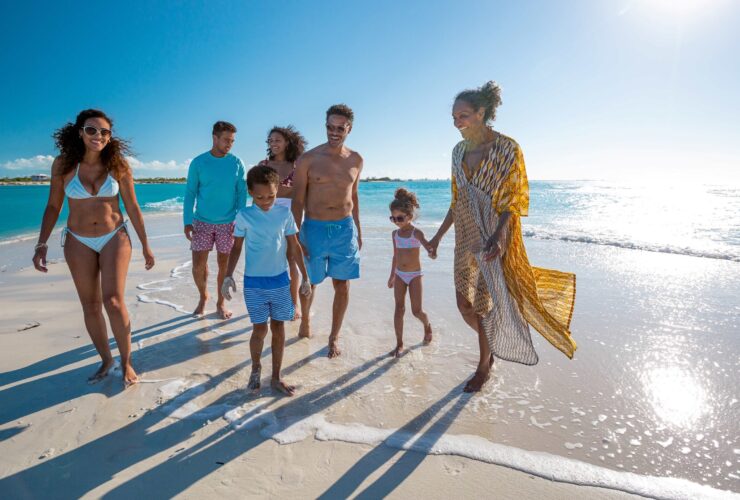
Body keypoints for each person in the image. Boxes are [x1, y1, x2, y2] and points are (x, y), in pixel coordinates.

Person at [428, 81, 577, 393]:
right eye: (454, 117)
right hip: (466, 235)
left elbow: (514, 200)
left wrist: (497, 235)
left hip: (494, 236)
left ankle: (484, 365)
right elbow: (457, 200)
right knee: (464, 304)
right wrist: (438, 237)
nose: (457, 123)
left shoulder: (508, 148)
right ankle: (491, 343)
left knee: (482, 305)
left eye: (464, 116)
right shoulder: (457, 152)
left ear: (482, 113)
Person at [32, 109, 155, 388]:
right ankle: (106, 359)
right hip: (78, 239)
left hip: (115, 236)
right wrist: (41, 244)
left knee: (113, 300)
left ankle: (126, 362)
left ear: (110, 137)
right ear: (80, 132)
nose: (98, 136)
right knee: (90, 304)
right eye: (91, 130)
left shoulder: (118, 165)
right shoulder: (63, 165)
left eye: (104, 132)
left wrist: (146, 245)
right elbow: (53, 206)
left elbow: (133, 206)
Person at [221, 165, 311, 396]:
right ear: (250, 192)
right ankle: (255, 367)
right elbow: (236, 247)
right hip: (254, 283)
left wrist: (305, 276)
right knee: (259, 329)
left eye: (271, 196)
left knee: (279, 328)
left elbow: (294, 245)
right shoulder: (244, 215)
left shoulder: (284, 214)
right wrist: (228, 275)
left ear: (277, 190)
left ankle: (276, 376)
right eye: (260, 196)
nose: (266, 201)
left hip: (280, 281)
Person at [291, 104, 363, 358]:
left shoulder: (356, 159)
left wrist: (359, 230)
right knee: (310, 281)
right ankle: (305, 322)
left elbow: (353, 195)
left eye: (340, 128)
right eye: (330, 127)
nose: (334, 132)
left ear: (349, 129)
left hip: (344, 229)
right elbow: (297, 200)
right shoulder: (308, 159)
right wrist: (296, 235)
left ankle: (334, 337)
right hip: (315, 228)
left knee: (342, 285)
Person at [183, 121, 247, 319]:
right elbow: (190, 193)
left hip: (228, 223)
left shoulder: (237, 163)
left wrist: (241, 221)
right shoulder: (199, 162)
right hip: (201, 221)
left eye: (232, 141)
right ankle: (203, 297)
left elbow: (241, 194)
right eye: (226, 140)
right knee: (198, 265)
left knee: (224, 266)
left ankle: (220, 303)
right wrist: (187, 220)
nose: (229, 144)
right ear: (215, 138)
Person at [259, 125, 308, 319]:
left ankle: (293, 305)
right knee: (269, 261)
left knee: (292, 261)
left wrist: (298, 223)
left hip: (291, 216)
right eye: (270, 141)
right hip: (267, 217)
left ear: (287, 142)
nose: (273, 143)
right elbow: (257, 193)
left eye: (277, 140)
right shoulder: (263, 164)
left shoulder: (298, 165)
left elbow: (301, 197)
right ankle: (268, 301)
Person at [386, 188, 434, 357]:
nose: (397, 222)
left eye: (400, 218)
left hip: (414, 275)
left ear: (410, 216)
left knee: (416, 311)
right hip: (399, 274)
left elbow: (428, 246)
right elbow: (395, 256)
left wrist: (431, 251)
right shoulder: (395, 234)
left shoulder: (416, 233)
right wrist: (392, 275)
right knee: (399, 309)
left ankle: (427, 324)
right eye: (393, 218)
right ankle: (399, 344)